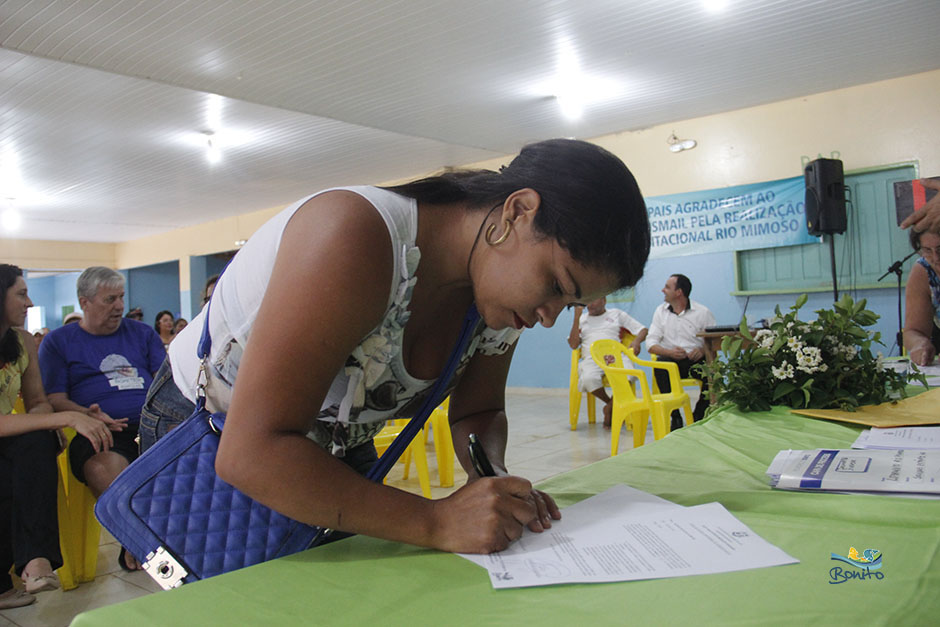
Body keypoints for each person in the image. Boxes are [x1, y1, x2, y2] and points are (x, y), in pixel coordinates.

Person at [140, 138, 651, 555]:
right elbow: (251, 452)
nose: (549, 316)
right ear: (517, 212)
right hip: (206, 431)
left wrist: (491, 478)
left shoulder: (500, 293)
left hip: (334, 440)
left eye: (572, 303)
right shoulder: (355, 234)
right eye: (557, 286)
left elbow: (480, 410)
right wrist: (435, 520)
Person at [0, 265, 121, 609]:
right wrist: (67, 416)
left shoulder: (22, 342)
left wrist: (50, 421)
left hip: (9, 439)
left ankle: (36, 561)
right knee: (14, 469)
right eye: (21, 294)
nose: (29, 302)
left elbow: (37, 401)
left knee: (39, 442)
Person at [39, 267, 165, 571]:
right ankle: (141, 539)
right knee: (102, 466)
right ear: (85, 302)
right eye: (110, 299)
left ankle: (154, 537)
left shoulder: (142, 334)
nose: (120, 306)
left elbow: (168, 382)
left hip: (154, 424)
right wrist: (87, 415)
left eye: (121, 297)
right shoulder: (58, 342)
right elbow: (55, 399)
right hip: (100, 428)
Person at [646, 273, 715, 430]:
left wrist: (702, 350)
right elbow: (651, 343)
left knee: (711, 371)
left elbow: (713, 340)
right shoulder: (660, 312)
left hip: (694, 360)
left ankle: (699, 414)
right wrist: (669, 352)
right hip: (671, 360)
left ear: (679, 292)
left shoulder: (702, 312)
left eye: (667, 287)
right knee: (660, 366)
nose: (662, 290)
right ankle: (675, 417)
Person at [567, 297, 647, 428]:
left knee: (629, 375)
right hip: (591, 358)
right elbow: (573, 344)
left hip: (616, 356)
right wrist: (576, 318)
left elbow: (643, 330)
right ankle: (611, 404)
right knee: (588, 379)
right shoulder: (582, 319)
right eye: (587, 301)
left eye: (593, 300)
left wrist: (636, 342)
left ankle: (610, 408)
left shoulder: (616, 314)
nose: (590, 304)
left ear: (604, 300)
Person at [903, 227, 940, 366]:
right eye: (927, 250)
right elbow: (913, 331)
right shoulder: (923, 271)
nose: (936, 258)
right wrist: (920, 344)